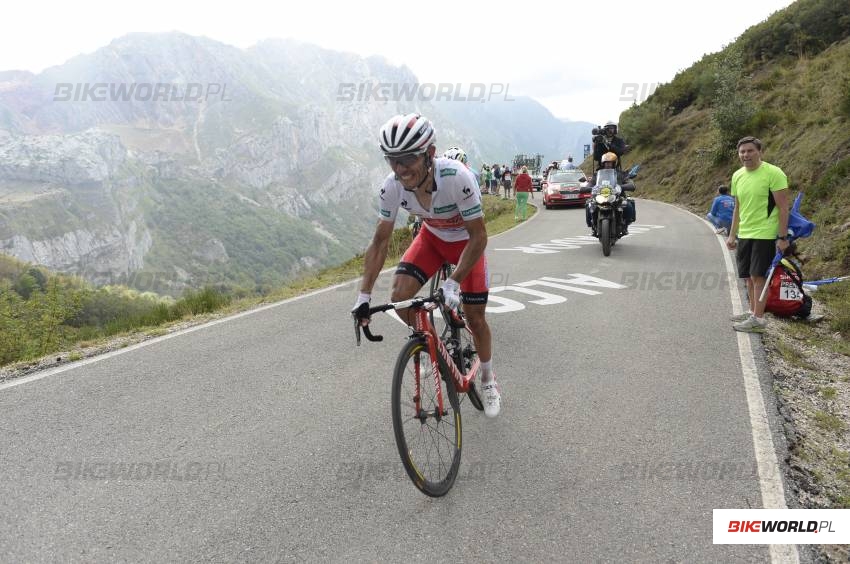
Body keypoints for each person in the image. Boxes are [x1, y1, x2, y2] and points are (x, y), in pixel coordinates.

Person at [351, 113, 501, 416]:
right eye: (392, 160)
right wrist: (363, 297)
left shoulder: (457, 177)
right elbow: (380, 242)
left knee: (476, 318)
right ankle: (430, 343)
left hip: (466, 244)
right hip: (431, 239)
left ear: (430, 154)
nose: (400, 169)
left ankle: (487, 379)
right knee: (400, 297)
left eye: (407, 159)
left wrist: (453, 282)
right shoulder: (391, 187)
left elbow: (479, 236)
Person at [725, 136, 790, 333]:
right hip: (745, 232)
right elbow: (738, 207)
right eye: (742, 152)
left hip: (766, 233)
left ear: (759, 151)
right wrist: (732, 234)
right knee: (747, 276)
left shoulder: (774, 173)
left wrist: (782, 237)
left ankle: (758, 320)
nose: (746, 155)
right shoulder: (737, 176)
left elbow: (784, 207)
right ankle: (753, 311)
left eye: (750, 151)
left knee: (758, 276)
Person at [585, 152, 635, 236]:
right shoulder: (597, 174)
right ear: (603, 163)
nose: (608, 164)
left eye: (610, 162)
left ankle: (625, 225)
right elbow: (591, 183)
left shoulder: (621, 173)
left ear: (614, 163)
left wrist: (625, 186)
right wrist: (587, 187)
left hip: (617, 196)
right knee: (589, 205)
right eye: (606, 163)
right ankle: (593, 225)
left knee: (628, 205)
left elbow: (629, 182)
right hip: (600, 196)